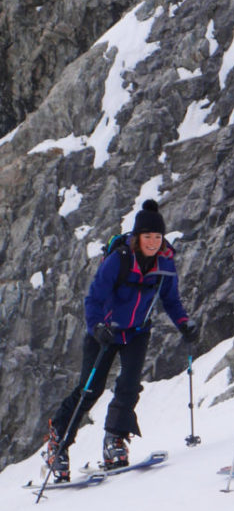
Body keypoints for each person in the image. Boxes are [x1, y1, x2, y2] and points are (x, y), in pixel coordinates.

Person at [44, 200, 198, 479]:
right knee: (90, 389)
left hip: (137, 330)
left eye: (157, 237)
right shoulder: (120, 259)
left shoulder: (165, 262)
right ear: (137, 237)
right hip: (105, 330)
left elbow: (171, 299)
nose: (153, 242)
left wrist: (185, 324)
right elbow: (94, 297)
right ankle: (58, 442)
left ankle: (114, 438)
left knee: (129, 385)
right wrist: (96, 326)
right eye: (147, 236)